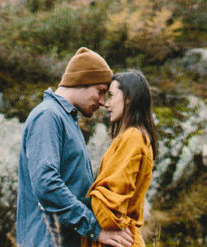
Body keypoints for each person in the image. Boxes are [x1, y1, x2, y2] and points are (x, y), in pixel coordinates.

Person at [17, 47, 134, 247]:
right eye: (101, 92)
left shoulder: (65, 119)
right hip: (46, 241)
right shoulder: (48, 116)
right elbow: (46, 184)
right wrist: (95, 229)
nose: (103, 102)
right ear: (81, 81)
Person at [86, 70, 158, 247]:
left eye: (111, 96)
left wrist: (76, 205)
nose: (106, 103)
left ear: (128, 98)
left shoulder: (133, 137)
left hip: (118, 239)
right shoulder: (134, 136)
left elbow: (111, 204)